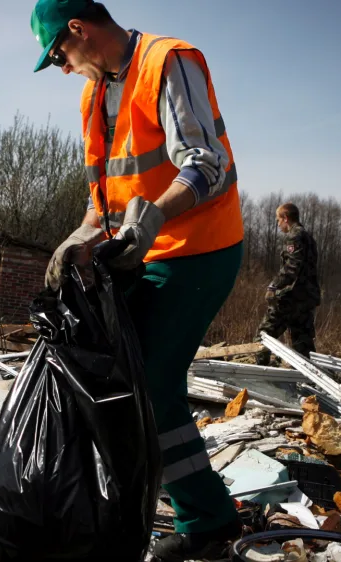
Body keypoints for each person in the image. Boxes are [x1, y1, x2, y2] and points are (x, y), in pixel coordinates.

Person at [30, 0, 245, 559]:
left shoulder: (168, 61)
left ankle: (208, 523)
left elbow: (205, 162)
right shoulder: (94, 93)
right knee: (106, 372)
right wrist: (80, 237)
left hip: (198, 248)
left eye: (59, 54)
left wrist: (156, 215)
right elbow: (103, 198)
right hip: (136, 252)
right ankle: (122, 504)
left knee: (149, 384)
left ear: (79, 30)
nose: (61, 67)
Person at [253, 203, 321, 366]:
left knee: (263, 337)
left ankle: (260, 376)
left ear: (285, 218)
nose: (278, 224)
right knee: (302, 344)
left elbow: (292, 267)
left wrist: (273, 286)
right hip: (307, 298)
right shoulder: (308, 237)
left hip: (292, 297)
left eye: (278, 220)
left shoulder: (294, 236)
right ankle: (306, 380)